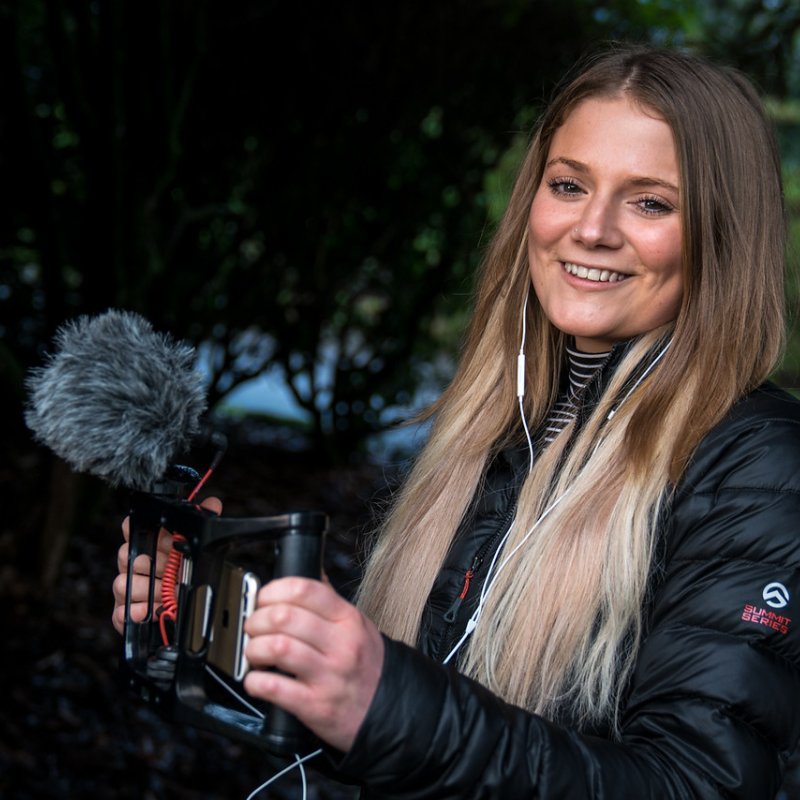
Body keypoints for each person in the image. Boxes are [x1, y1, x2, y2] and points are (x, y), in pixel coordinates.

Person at [114, 44, 800, 797]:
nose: (592, 229)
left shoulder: (761, 466)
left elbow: (697, 784)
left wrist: (385, 700)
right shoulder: (510, 425)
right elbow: (430, 734)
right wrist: (249, 638)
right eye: (569, 185)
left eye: (650, 202)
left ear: (721, 237)